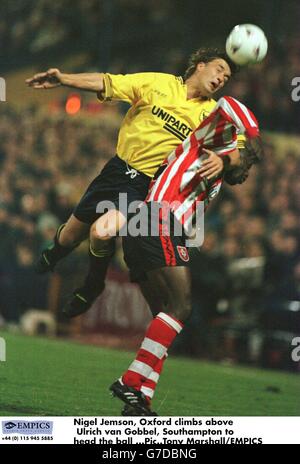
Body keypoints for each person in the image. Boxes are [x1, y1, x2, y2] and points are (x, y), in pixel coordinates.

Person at [25, 49, 245, 318]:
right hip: (116, 170)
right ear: (200, 66)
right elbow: (108, 82)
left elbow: (239, 149)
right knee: (70, 236)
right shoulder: (159, 83)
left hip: (148, 186)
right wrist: (63, 79)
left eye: (227, 76)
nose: (222, 77)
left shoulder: (213, 115)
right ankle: (56, 252)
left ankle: (93, 285)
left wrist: (225, 162)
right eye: (219, 68)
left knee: (102, 232)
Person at [106, 96, 263, 415]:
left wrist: (232, 164)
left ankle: (141, 399)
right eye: (246, 164)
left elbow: (224, 170)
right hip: (159, 218)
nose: (246, 172)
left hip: (144, 223)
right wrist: (253, 142)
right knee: (182, 305)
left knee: (165, 315)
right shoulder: (212, 137)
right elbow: (229, 102)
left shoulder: (213, 168)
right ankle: (131, 379)